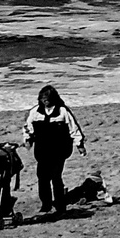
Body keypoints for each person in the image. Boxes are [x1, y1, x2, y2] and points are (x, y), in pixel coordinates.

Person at [24, 86, 84, 219]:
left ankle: (60, 206)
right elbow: (28, 128)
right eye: (43, 99)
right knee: (42, 177)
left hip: (59, 150)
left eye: (47, 99)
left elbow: (73, 128)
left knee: (56, 177)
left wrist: (79, 144)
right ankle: (46, 204)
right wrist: (28, 140)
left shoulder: (62, 111)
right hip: (42, 150)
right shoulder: (35, 112)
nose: (45, 101)